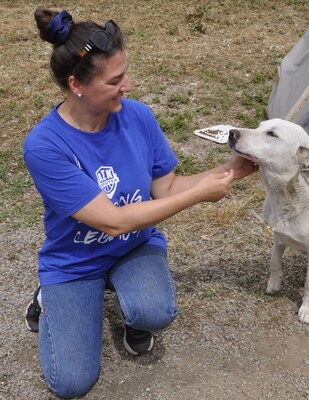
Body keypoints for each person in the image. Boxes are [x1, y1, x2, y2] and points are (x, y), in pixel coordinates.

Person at [23, 8, 257, 399]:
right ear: (76, 85)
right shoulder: (45, 146)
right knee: (71, 383)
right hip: (75, 262)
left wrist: (231, 171)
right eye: (115, 80)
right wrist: (198, 196)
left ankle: (133, 315)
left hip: (134, 246)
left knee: (155, 312)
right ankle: (52, 297)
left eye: (126, 73)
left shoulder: (137, 116)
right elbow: (112, 221)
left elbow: (165, 188)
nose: (128, 85)